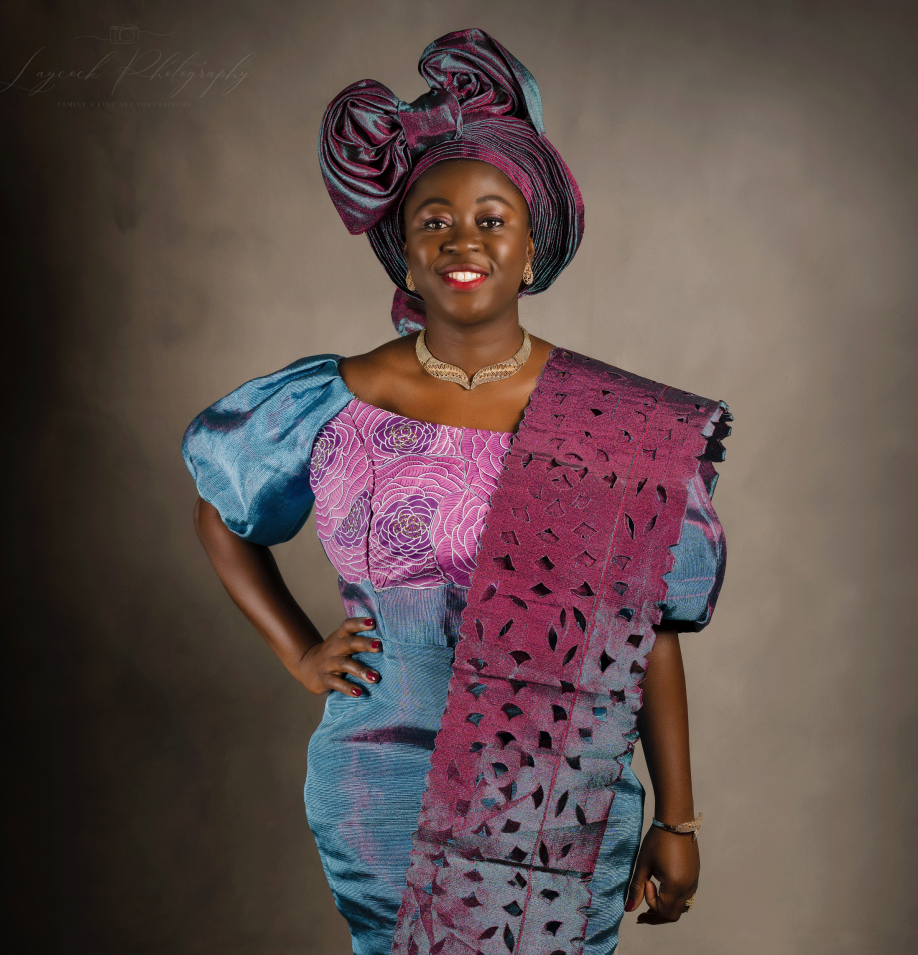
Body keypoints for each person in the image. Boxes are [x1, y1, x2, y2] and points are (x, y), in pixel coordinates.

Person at [183, 29, 731, 955]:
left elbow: (649, 634)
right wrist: (303, 652)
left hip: (560, 793)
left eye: (491, 219)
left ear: (532, 249)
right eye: (434, 222)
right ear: (405, 255)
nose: (462, 240)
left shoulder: (615, 421)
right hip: (380, 781)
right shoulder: (333, 400)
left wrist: (678, 819)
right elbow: (221, 510)